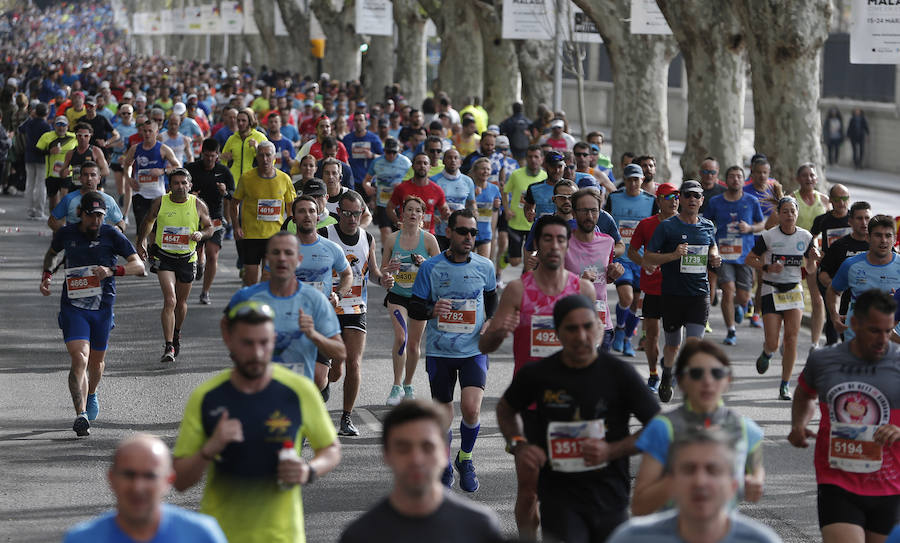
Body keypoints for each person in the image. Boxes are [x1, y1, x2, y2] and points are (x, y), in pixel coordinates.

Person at [172, 300, 341, 543]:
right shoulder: (208, 397)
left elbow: (331, 449)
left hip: (283, 536)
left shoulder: (298, 390)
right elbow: (179, 480)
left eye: (264, 343)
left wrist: (308, 470)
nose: (257, 353)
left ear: (274, 340)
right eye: (247, 343)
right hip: (222, 536)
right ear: (229, 340)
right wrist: (210, 448)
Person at [496, 294, 661, 542]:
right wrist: (518, 443)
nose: (581, 336)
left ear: (598, 327)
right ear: (558, 333)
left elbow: (660, 427)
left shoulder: (619, 374)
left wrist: (612, 450)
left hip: (610, 496)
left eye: (587, 326)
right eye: (572, 329)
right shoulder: (539, 374)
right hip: (558, 495)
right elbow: (506, 409)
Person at [479, 214, 595, 539]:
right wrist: (498, 332)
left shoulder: (581, 290)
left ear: (568, 244)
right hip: (529, 408)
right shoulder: (517, 290)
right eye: (548, 239)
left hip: (571, 408)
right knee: (530, 491)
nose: (555, 245)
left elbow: (594, 350)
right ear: (536, 245)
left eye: (561, 239)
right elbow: (485, 344)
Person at [790, 289, 900, 543]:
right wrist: (799, 424)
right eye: (874, 330)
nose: (883, 339)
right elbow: (805, 394)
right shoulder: (823, 360)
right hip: (837, 480)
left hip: (890, 484)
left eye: (889, 330)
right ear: (854, 323)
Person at [39, 192, 145, 436]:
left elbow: (139, 266)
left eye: (100, 216)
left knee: (96, 362)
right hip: (74, 307)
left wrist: (111, 270)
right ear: (80, 214)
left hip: (103, 308)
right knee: (80, 358)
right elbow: (52, 253)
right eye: (91, 216)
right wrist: (46, 276)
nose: (96, 221)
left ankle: (93, 393)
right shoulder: (67, 234)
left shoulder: (112, 235)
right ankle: (81, 414)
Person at [409, 209, 497, 492]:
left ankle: (466, 458)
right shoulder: (430, 267)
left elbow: (492, 298)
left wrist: (491, 320)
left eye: (474, 233)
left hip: (474, 349)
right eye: (463, 232)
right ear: (449, 233)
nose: (469, 237)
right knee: (444, 416)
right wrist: (432, 310)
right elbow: (415, 307)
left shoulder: (485, 266)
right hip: (440, 351)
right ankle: (445, 463)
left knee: (471, 409)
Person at [339, 400, 503, 543]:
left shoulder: (480, 527)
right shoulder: (360, 536)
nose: (416, 459)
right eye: (403, 448)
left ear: (445, 453)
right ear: (386, 455)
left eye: (427, 447)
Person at [632, 340, 765, 515]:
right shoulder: (663, 428)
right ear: (680, 381)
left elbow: (756, 472)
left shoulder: (744, 429)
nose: (707, 381)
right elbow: (640, 506)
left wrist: (755, 481)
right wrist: (680, 479)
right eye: (696, 373)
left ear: (728, 380)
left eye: (717, 373)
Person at [609, 429, 780, 543]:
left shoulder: (761, 540)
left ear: (734, 486)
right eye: (689, 470)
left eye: (712, 470)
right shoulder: (632, 538)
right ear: (672, 482)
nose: (700, 481)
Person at [227, 232, 345, 387]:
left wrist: (313, 335)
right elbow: (226, 324)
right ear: (267, 258)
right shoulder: (248, 297)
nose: (282, 258)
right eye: (276, 252)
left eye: (288, 253)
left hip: (300, 396)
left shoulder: (316, 299)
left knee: (319, 381)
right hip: (262, 391)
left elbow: (340, 352)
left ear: (299, 260)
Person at [63, 434, 227, 543]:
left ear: (168, 481)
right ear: (111, 479)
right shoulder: (82, 539)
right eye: (129, 475)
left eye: (149, 476)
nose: (138, 487)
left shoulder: (201, 535)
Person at [644, 180, 721, 403]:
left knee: (694, 345)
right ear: (681, 199)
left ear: (702, 200)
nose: (692, 200)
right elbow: (649, 256)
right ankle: (667, 374)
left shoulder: (707, 225)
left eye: (696, 196)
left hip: (699, 294)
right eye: (687, 195)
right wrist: (673, 256)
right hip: (672, 294)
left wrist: (714, 255)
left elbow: (712, 245)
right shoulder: (668, 227)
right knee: (673, 344)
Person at [322, 190, 391, 436]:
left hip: (355, 307)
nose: (352, 218)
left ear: (363, 213)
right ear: (338, 212)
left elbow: (372, 272)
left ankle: (346, 417)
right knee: (335, 368)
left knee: (354, 363)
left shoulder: (367, 238)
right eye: (348, 213)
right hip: (328, 306)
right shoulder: (325, 235)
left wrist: (383, 280)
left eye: (357, 213)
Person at [137, 168, 214, 364]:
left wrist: (201, 235)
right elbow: (148, 221)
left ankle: (177, 332)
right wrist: (142, 242)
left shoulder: (197, 205)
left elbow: (210, 227)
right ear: (169, 186)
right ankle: (169, 344)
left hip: (187, 259)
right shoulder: (160, 202)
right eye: (176, 183)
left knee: (181, 303)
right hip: (165, 257)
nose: (180, 187)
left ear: (190, 185)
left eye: (183, 183)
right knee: (170, 301)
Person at [745, 196, 818, 401]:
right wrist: (768, 267)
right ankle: (767, 353)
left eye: (792, 211)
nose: (789, 215)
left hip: (794, 290)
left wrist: (812, 259)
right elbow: (749, 258)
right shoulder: (768, 236)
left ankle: (785, 385)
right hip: (771, 289)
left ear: (797, 214)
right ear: (778, 213)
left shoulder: (806, 236)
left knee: (792, 339)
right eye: (784, 211)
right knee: (773, 342)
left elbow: (811, 269)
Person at [381, 196, 441, 405]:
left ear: (422, 216)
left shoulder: (429, 240)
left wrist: (425, 263)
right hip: (397, 296)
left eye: (418, 211)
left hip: (419, 298)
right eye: (410, 210)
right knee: (401, 338)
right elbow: (383, 271)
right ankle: (396, 386)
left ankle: (408, 384)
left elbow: (440, 271)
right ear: (402, 213)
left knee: (414, 345)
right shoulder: (392, 239)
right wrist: (387, 276)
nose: (413, 214)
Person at [704, 165, 765, 346]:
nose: (735, 179)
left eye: (739, 176)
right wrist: (710, 244)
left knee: (745, 296)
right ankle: (731, 330)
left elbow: (761, 224)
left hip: (745, 254)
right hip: (724, 253)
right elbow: (707, 223)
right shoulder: (715, 202)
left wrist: (750, 228)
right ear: (726, 179)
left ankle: (738, 306)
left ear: (743, 180)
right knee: (728, 290)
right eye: (731, 176)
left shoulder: (751, 200)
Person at [628, 183, 680, 392]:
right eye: (669, 197)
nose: (674, 201)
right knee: (652, 335)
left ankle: (668, 368)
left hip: (677, 289)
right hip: (652, 288)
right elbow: (632, 251)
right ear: (658, 201)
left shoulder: (684, 224)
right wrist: (644, 263)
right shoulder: (646, 224)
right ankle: (652, 373)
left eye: (677, 197)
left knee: (673, 337)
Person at [565, 188, 625, 351]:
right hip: (570, 322)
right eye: (584, 211)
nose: (589, 216)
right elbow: (550, 284)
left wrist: (614, 273)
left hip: (601, 323)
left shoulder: (608, 243)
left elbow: (604, 277)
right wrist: (578, 283)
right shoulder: (562, 243)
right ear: (574, 213)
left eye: (593, 210)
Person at [606, 163, 656, 356]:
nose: (633, 183)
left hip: (642, 259)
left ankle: (627, 338)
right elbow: (606, 224)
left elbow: (655, 228)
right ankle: (619, 329)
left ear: (642, 180)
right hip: (622, 257)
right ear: (624, 180)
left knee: (637, 304)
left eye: (637, 179)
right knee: (626, 298)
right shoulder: (614, 197)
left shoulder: (650, 200)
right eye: (630, 179)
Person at [230, 140, 296, 286]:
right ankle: (250, 304)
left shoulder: (284, 178)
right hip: (251, 236)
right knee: (251, 278)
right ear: (257, 157)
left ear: (274, 157)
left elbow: (291, 206)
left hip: (274, 235)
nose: (265, 159)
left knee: (268, 275)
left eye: (268, 155)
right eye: (261, 155)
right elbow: (234, 203)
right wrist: (236, 227)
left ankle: (263, 304)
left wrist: (290, 230)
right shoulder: (247, 178)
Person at [827, 214, 900, 344]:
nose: (883, 240)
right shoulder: (851, 265)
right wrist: (834, 314)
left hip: (893, 341)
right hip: (857, 339)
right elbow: (834, 290)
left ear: (894, 239)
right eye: (878, 235)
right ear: (868, 238)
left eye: (888, 236)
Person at [186, 138, 235, 305]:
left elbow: (234, 194)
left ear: (218, 155)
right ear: (202, 154)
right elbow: (177, 188)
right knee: (193, 252)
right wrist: (190, 194)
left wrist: (225, 192)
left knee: (213, 254)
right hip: (194, 217)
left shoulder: (224, 171)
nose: (209, 159)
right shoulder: (191, 168)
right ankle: (199, 263)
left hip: (215, 218)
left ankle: (205, 292)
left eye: (212, 156)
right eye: (206, 156)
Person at [817, 200, 870, 346]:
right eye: (859, 218)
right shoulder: (839, 246)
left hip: (876, 311)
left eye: (867, 218)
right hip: (847, 311)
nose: (864, 223)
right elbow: (823, 274)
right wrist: (836, 286)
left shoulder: (880, 244)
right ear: (850, 221)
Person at [792, 163, 830, 349]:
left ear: (817, 179)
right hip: (793, 256)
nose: (809, 179)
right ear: (798, 179)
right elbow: (774, 225)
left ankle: (815, 342)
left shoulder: (824, 201)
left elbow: (831, 229)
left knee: (817, 299)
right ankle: (790, 337)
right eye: (805, 175)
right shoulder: (792, 199)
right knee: (793, 300)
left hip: (814, 256)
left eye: (812, 175)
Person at [121, 119, 181, 236]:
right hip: (140, 194)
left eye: (150, 131)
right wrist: (129, 179)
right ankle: (141, 252)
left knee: (156, 231)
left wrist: (162, 171)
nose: (147, 134)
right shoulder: (135, 149)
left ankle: (153, 253)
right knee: (142, 230)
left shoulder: (163, 149)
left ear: (157, 132)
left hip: (158, 195)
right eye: (145, 131)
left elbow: (177, 166)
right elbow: (127, 165)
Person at [49, 160, 125, 232]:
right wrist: (66, 234)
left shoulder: (108, 200)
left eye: (93, 175)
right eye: (85, 175)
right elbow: (52, 221)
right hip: (76, 244)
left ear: (99, 179)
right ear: (80, 178)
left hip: (99, 243)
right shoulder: (69, 199)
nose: (89, 178)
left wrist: (119, 229)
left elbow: (120, 222)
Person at [362, 137, 412, 247]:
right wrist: (368, 187)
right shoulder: (377, 162)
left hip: (400, 203)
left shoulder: (406, 162)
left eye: (394, 152)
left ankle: (398, 254)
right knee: (385, 231)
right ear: (384, 151)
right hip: (383, 202)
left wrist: (402, 186)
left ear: (399, 151)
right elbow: (366, 180)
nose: (391, 155)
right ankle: (387, 254)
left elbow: (412, 182)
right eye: (388, 152)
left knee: (400, 232)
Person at [503, 144, 547, 268]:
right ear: (526, 158)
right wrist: (506, 210)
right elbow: (505, 192)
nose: (533, 160)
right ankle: (507, 255)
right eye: (530, 157)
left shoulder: (545, 177)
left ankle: (526, 280)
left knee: (530, 262)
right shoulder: (516, 174)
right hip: (516, 222)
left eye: (536, 157)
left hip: (534, 224)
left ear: (541, 159)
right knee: (514, 261)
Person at [387, 153, 448, 235]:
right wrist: (398, 223)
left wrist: (442, 216)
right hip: (406, 234)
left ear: (430, 167)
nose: (422, 166)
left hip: (428, 235)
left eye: (425, 163)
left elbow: (445, 210)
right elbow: (389, 208)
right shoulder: (402, 188)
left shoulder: (437, 190)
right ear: (413, 166)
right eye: (419, 163)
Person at [431, 148, 476, 250]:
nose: (453, 160)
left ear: (460, 162)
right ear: (443, 161)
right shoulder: (433, 180)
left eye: (456, 158)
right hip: (439, 230)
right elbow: (427, 204)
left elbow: (471, 203)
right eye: (449, 158)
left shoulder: (468, 181)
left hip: (460, 232)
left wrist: (474, 213)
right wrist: (432, 216)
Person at [36, 115, 77, 211]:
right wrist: (49, 151)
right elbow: (36, 152)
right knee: (53, 203)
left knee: (65, 198)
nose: (61, 127)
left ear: (68, 126)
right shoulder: (47, 136)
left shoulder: (74, 137)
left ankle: (64, 223)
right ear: (54, 126)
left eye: (63, 125)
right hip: (51, 175)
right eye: (58, 124)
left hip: (67, 174)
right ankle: (54, 222)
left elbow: (82, 150)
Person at [20, 102, 52, 220]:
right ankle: (39, 212)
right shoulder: (46, 126)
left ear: (35, 112)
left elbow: (20, 129)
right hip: (42, 157)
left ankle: (30, 210)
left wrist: (30, 117)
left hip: (29, 156)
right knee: (40, 185)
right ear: (46, 113)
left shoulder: (29, 123)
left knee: (30, 184)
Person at [221, 107, 267, 187]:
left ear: (250, 122)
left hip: (253, 182)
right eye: (238, 120)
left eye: (243, 121)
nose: (240, 123)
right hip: (234, 183)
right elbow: (223, 161)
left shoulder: (260, 137)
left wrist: (257, 149)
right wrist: (223, 157)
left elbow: (271, 160)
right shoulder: (232, 139)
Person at [342, 110, 383, 193]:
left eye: (361, 120)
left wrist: (372, 155)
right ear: (353, 122)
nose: (358, 123)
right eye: (356, 120)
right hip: (352, 180)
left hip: (369, 180)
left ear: (366, 122)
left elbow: (384, 158)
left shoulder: (374, 138)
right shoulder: (346, 139)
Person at [470, 157, 501, 258]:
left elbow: (495, 211)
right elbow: (462, 208)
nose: (485, 171)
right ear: (475, 170)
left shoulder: (494, 189)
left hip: (485, 232)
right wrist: (472, 196)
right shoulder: (469, 187)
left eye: (488, 169)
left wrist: (496, 207)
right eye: (482, 169)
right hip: (469, 232)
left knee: (483, 264)